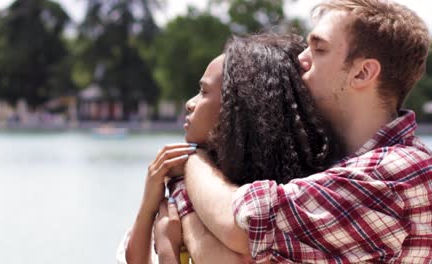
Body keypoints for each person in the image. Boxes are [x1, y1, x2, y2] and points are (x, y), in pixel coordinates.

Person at [175, 0, 432, 263]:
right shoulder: (339, 166)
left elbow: (244, 224)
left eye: (319, 49)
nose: (301, 59)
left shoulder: (398, 174)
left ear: (363, 72)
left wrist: (194, 162)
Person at [117, 32, 341, 263]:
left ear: (239, 110)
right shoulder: (182, 172)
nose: (189, 103)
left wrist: (167, 250)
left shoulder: (275, 211)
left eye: (203, 92)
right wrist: (148, 205)